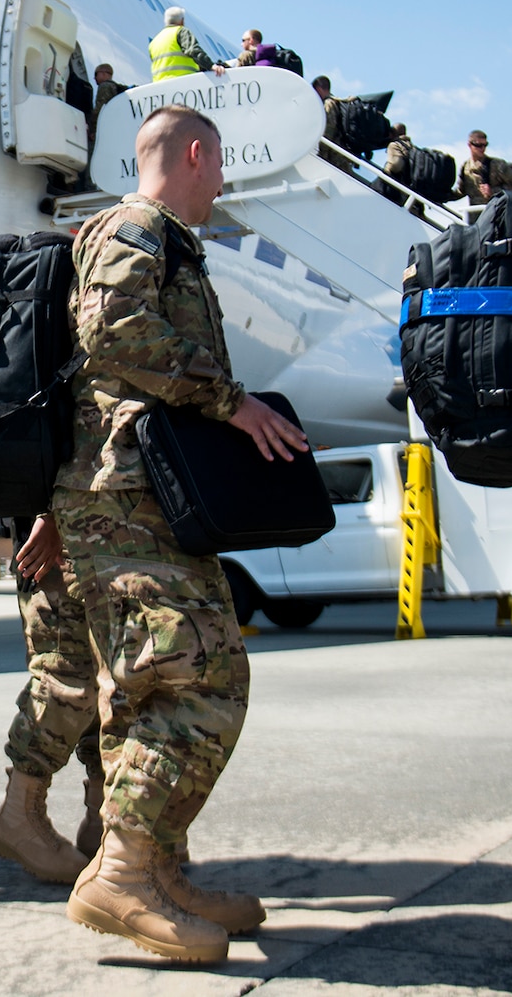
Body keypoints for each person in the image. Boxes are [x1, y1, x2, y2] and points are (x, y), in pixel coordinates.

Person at [46, 106, 309, 964]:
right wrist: (234, 402)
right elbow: (115, 333)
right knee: (207, 681)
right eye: (221, 165)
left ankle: (157, 869)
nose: (224, 183)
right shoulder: (134, 227)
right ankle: (121, 872)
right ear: (194, 154)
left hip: (139, 500)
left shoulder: (160, 239)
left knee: (150, 691)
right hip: (125, 502)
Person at [0, 514, 103, 884]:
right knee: (66, 677)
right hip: (56, 530)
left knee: (114, 678)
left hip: (107, 527)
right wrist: (44, 513)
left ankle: (105, 819)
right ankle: (19, 813)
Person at [148, 8, 222, 82]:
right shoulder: (181, 32)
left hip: (160, 85)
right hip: (184, 82)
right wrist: (211, 66)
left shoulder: (154, 42)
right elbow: (193, 51)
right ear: (182, 20)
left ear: (165, 21)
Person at [457, 130, 512, 201]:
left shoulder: (497, 165)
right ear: (469, 145)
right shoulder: (465, 167)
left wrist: (494, 191)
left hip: (496, 209)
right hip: (475, 210)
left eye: (485, 145)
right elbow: (460, 192)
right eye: (478, 145)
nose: (483, 148)